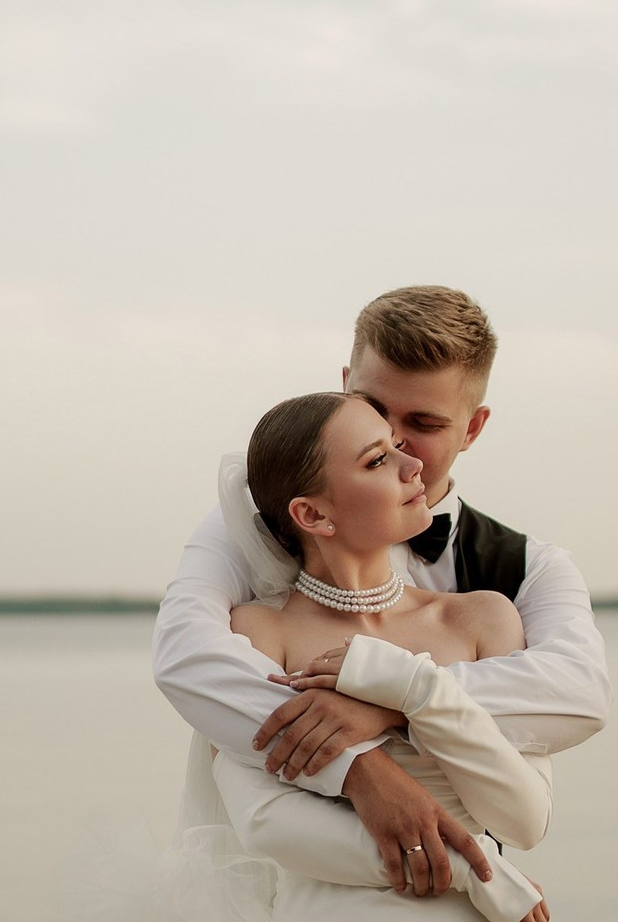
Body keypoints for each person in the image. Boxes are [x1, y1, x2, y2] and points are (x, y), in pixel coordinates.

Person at [153, 286, 609, 893]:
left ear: (472, 427)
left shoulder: (528, 572)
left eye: (422, 424)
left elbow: (578, 696)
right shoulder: (256, 527)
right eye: (371, 407)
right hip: (281, 885)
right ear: (345, 384)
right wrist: (357, 767)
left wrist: (389, 701)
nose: (395, 442)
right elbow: (188, 659)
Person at [203, 390, 552, 920]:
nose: (414, 465)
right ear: (313, 514)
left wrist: (416, 689)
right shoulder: (260, 631)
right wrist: (470, 869)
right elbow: (262, 819)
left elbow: (524, 819)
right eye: (378, 459)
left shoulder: (482, 618)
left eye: (397, 447)